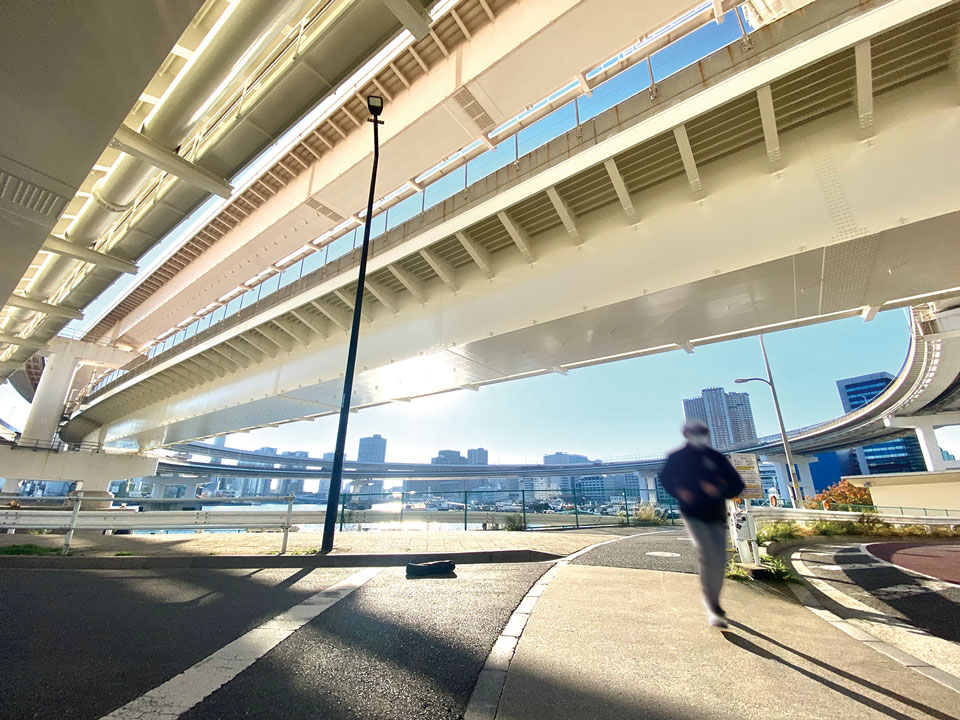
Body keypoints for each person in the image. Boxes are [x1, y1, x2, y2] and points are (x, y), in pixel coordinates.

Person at [659, 419, 744, 628]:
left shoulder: (715, 458)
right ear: (686, 435)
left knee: (720, 559)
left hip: (716, 513)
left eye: (702, 433)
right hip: (693, 513)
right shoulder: (677, 458)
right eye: (694, 433)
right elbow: (665, 479)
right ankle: (713, 605)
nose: (698, 436)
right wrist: (681, 492)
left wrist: (719, 491)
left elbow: (737, 485)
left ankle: (713, 599)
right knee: (707, 555)